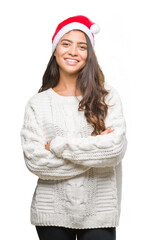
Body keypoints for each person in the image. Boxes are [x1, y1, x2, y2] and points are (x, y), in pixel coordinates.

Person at [20, 15, 127, 240]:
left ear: (89, 55)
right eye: (66, 43)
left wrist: (57, 146)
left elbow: (114, 149)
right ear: (55, 50)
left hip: (100, 211)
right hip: (51, 211)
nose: (73, 51)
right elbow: (35, 161)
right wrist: (94, 151)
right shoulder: (37, 104)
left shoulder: (107, 96)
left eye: (82, 46)